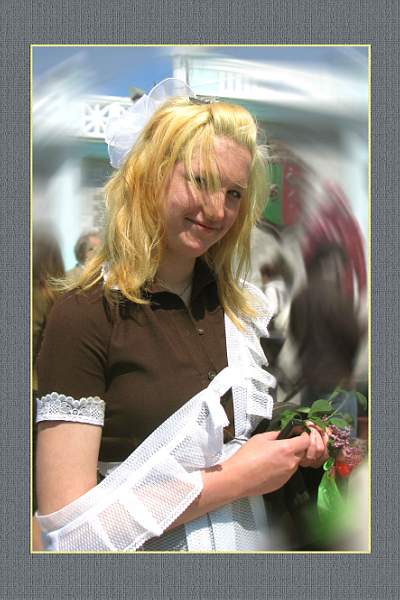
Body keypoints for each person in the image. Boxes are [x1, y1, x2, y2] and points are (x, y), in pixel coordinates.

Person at [35, 78, 328, 552]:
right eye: (201, 180)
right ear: (149, 175)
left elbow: (242, 445)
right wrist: (236, 479)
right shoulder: (86, 315)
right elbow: (68, 535)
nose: (218, 210)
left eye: (234, 193)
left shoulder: (242, 309)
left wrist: (292, 445)